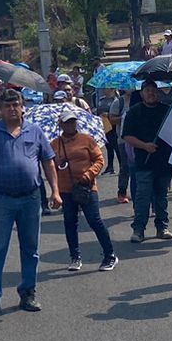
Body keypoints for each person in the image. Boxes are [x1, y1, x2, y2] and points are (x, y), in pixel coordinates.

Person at [0, 89, 60, 319]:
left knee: (30, 249)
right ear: (0, 109)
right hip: (1, 199)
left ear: (23, 107)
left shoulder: (35, 131)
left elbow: (48, 162)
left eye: (16, 105)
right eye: (7, 105)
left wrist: (55, 191)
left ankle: (28, 293)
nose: (12, 109)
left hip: (31, 198)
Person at [53, 106, 115, 273]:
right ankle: (75, 257)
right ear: (61, 124)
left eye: (73, 122)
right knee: (70, 222)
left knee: (94, 220)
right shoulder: (54, 144)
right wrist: (57, 165)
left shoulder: (86, 139)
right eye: (67, 122)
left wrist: (89, 174)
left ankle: (109, 255)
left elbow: (99, 160)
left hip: (86, 186)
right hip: (66, 189)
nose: (70, 125)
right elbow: (50, 167)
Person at [121, 79, 172, 242]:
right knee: (143, 197)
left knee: (161, 197)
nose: (151, 93)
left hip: (164, 162)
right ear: (142, 94)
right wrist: (144, 146)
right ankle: (139, 229)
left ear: (158, 92)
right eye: (147, 91)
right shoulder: (134, 112)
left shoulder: (167, 111)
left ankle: (162, 227)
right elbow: (127, 136)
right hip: (143, 162)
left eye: (154, 90)